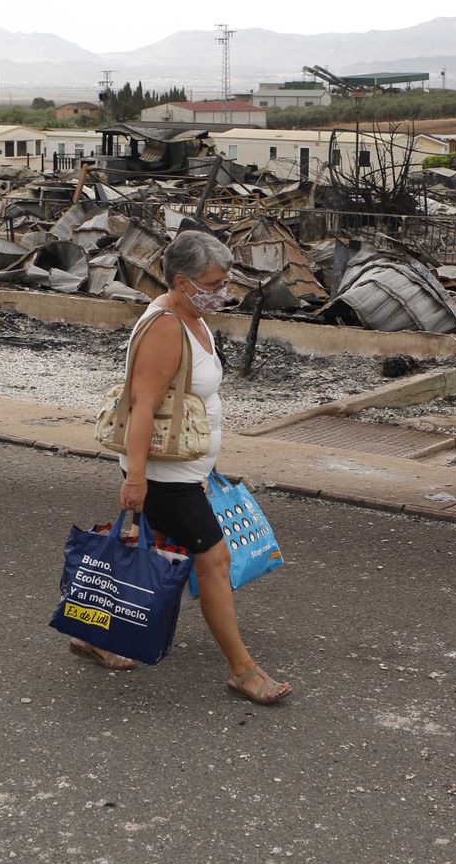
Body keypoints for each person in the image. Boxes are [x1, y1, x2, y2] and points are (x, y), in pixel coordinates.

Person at [69, 229, 293, 705]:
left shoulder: (191, 317)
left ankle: (94, 634)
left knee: (155, 556)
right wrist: (134, 478)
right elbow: (143, 406)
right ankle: (244, 671)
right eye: (210, 284)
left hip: (185, 470)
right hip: (164, 476)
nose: (220, 291)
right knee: (213, 560)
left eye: (223, 281)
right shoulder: (167, 326)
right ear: (180, 280)